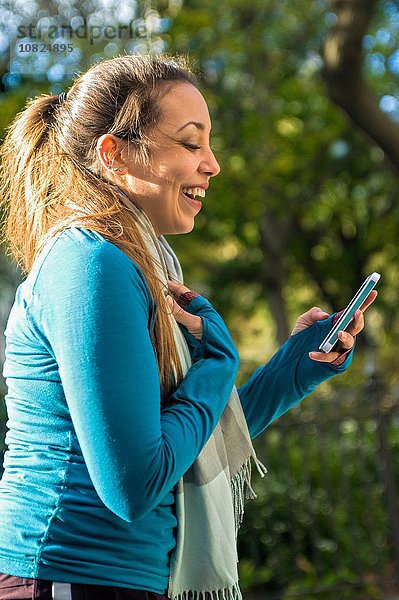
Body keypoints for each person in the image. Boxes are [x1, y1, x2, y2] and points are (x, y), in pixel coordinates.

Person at [0, 54, 376, 600]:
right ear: (115, 154)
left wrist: (289, 373)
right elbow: (134, 484)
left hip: (121, 578)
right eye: (191, 142)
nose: (213, 164)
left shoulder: (136, 265)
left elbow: (183, 437)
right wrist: (219, 363)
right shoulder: (89, 264)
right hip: (67, 574)